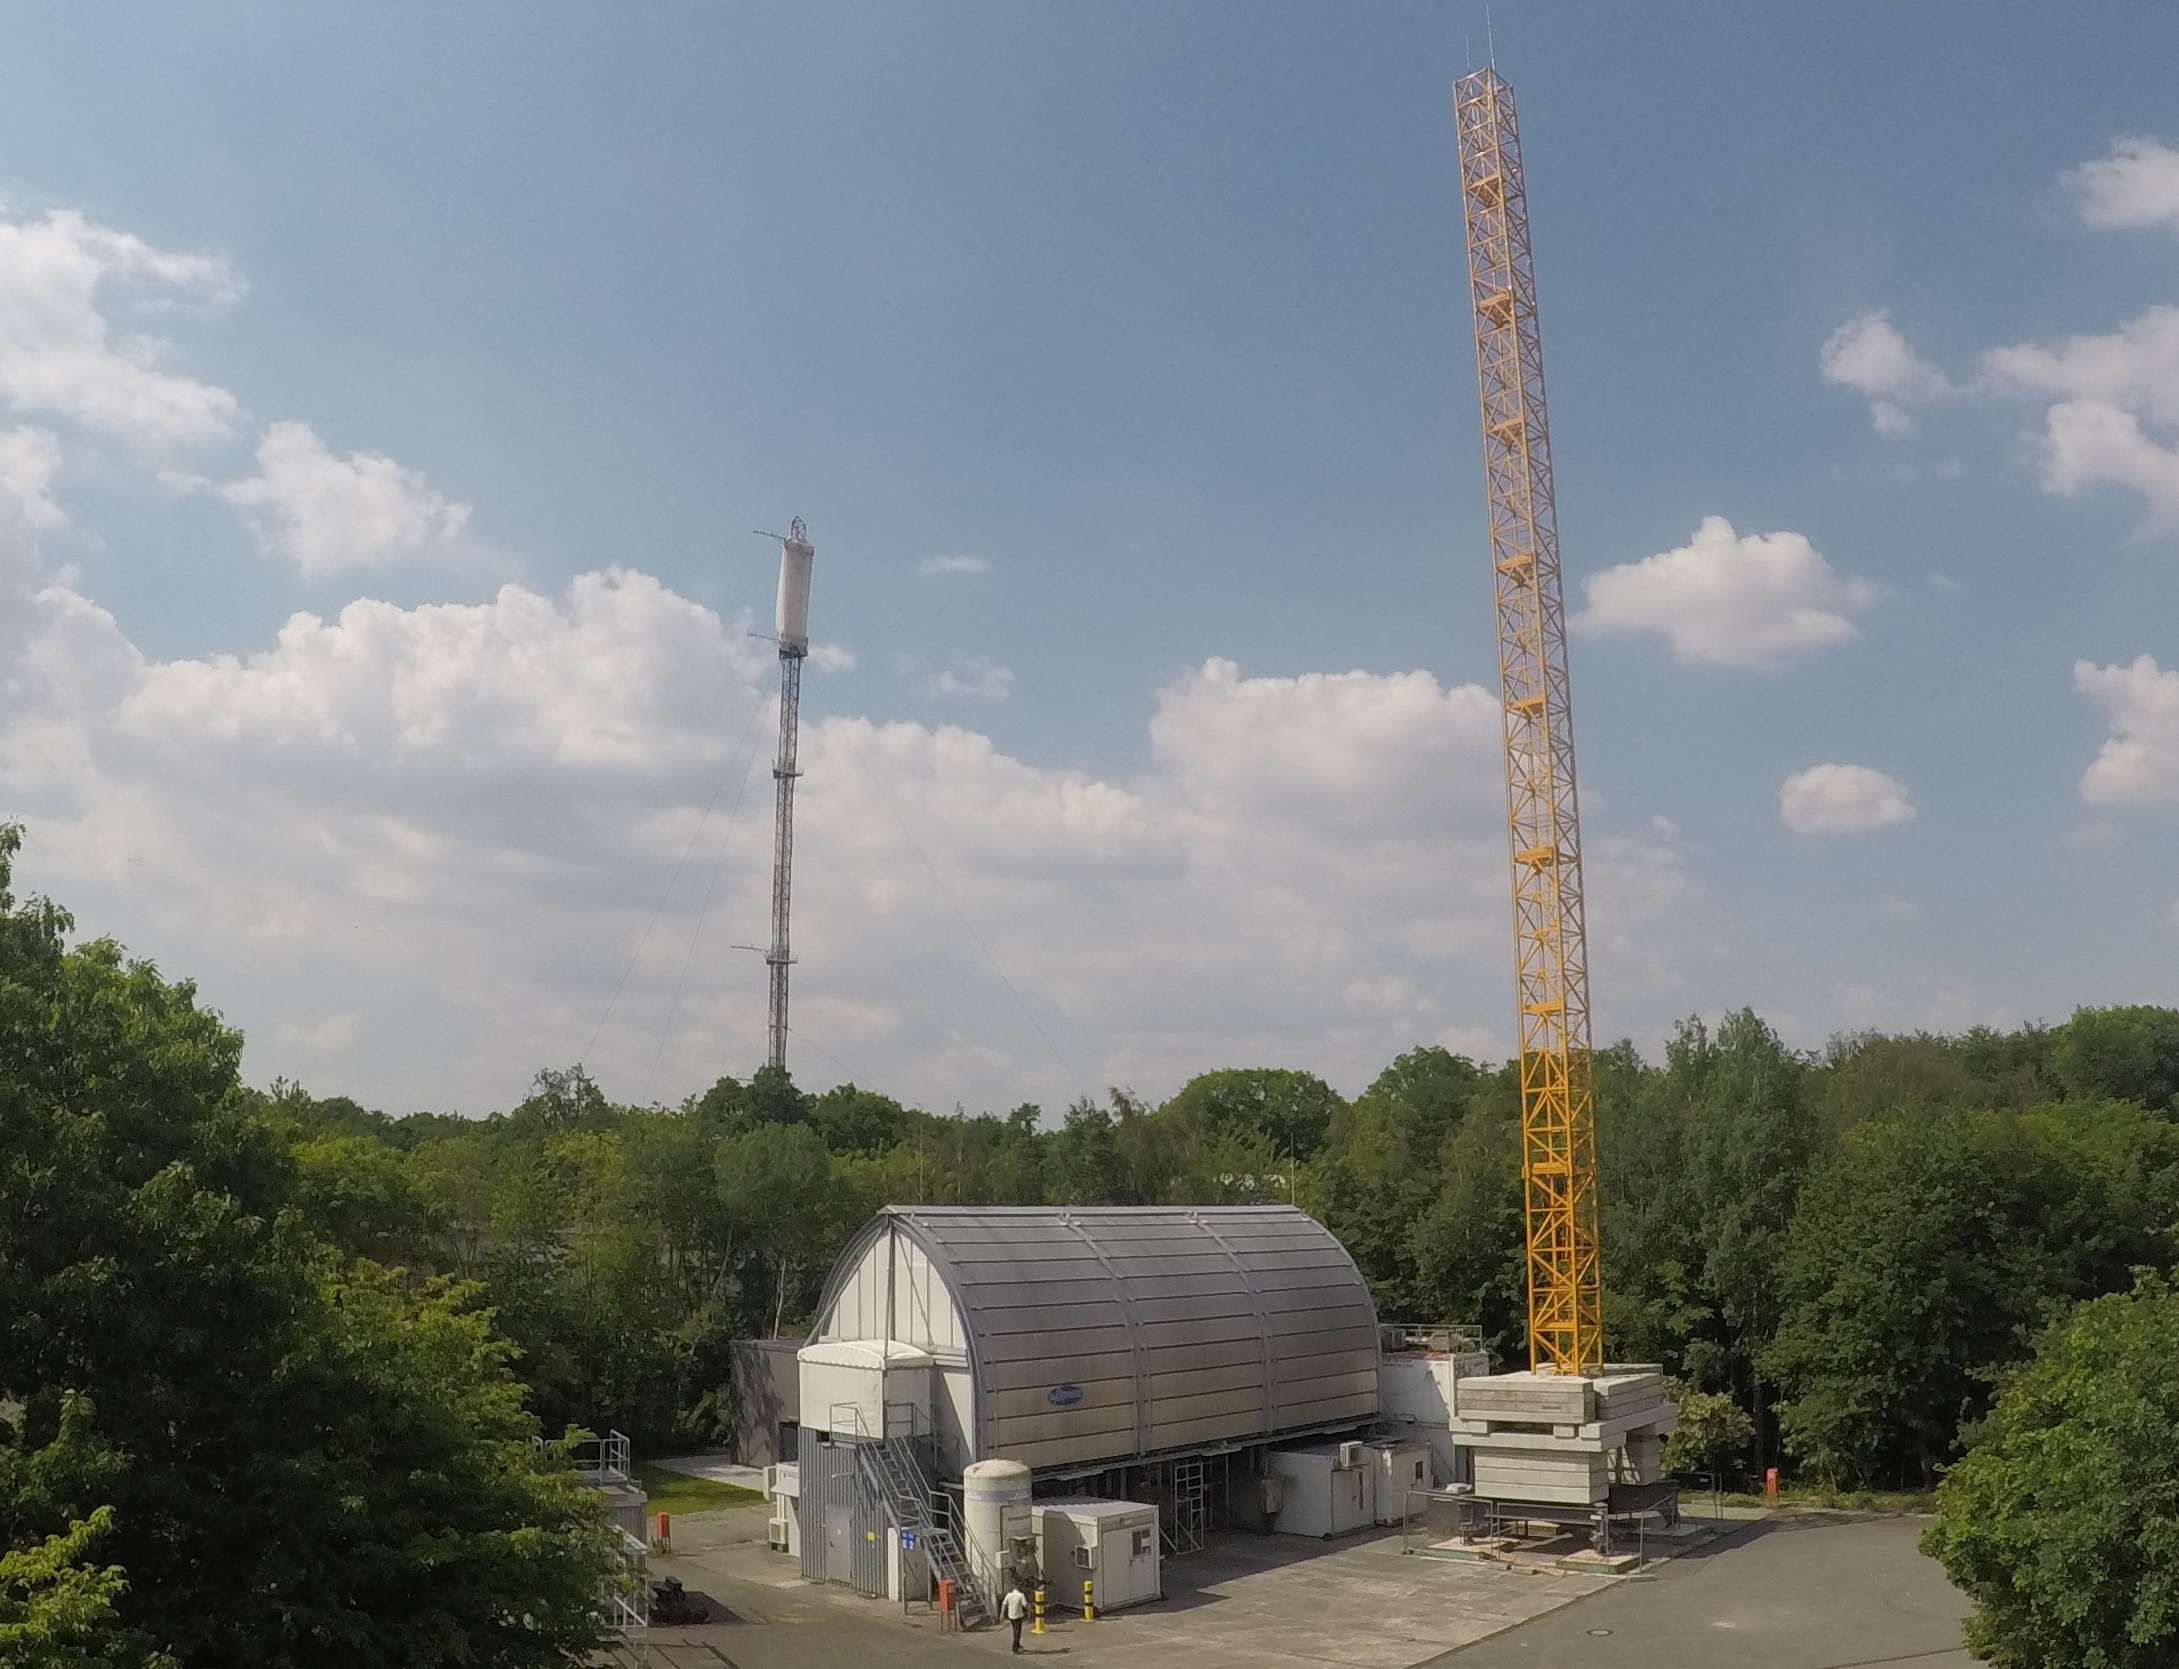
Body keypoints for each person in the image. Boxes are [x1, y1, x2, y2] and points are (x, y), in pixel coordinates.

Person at [1001, 1580, 1030, 1652]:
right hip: (1018, 1615)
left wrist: (1002, 1613)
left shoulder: (1008, 1595)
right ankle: (1014, 1648)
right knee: (1018, 1632)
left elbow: (1004, 1604)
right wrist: (1030, 1612)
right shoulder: (1021, 1595)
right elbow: (1025, 1605)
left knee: (1014, 1630)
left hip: (1011, 1615)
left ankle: (1017, 1644)